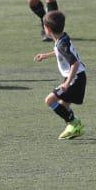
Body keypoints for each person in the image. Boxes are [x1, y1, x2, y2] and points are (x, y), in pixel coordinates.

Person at [33, 10, 87, 139]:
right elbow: (60, 51)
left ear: (48, 29)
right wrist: (45, 56)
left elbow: (74, 63)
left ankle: (75, 123)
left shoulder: (61, 44)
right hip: (76, 77)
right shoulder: (63, 38)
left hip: (75, 79)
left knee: (50, 100)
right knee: (63, 106)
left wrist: (67, 83)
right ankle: (73, 126)